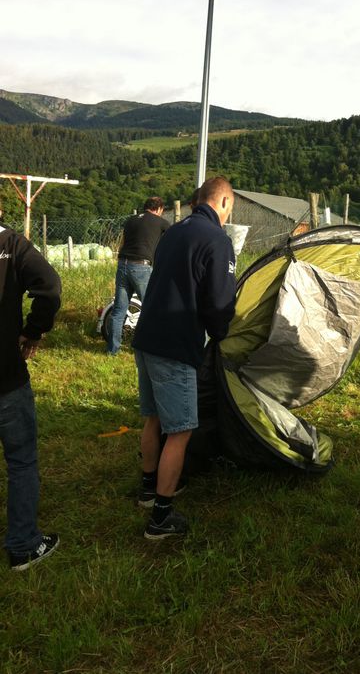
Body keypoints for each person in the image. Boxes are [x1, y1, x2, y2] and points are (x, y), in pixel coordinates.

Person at [132, 177, 236, 539]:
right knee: (181, 431)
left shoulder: (173, 232)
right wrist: (222, 333)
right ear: (223, 202)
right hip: (175, 345)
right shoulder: (217, 240)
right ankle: (161, 517)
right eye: (230, 209)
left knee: (153, 418)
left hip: (146, 338)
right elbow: (220, 303)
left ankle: (147, 490)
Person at [0, 204, 62, 570]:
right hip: (6, 376)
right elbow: (50, 287)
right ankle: (23, 545)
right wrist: (32, 330)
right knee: (21, 461)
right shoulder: (13, 244)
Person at [107, 196, 170, 355]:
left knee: (119, 310)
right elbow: (171, 240)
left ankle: (112, 350)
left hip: (123, 264)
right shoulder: (160, 222)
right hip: (141, 267)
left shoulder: (131, 220)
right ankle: (151, 348)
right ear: (159, 209)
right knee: (151, 309)